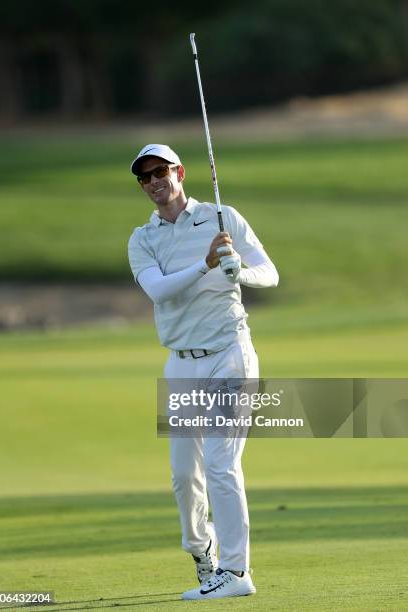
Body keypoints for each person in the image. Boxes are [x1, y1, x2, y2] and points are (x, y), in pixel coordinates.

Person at [127, 144, 279, 600]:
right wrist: (207, 263)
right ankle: (202, 551)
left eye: (160, 172)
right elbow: (159, 292)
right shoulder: (143, 238)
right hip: (180, 362)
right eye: (144, 177)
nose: (154, 182)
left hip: (230, 352)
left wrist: (239, 273)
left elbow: (269, 273)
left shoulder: (221, 217)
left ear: (180, 172)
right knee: (183, 475)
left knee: (220, 465)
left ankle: (236, 573)